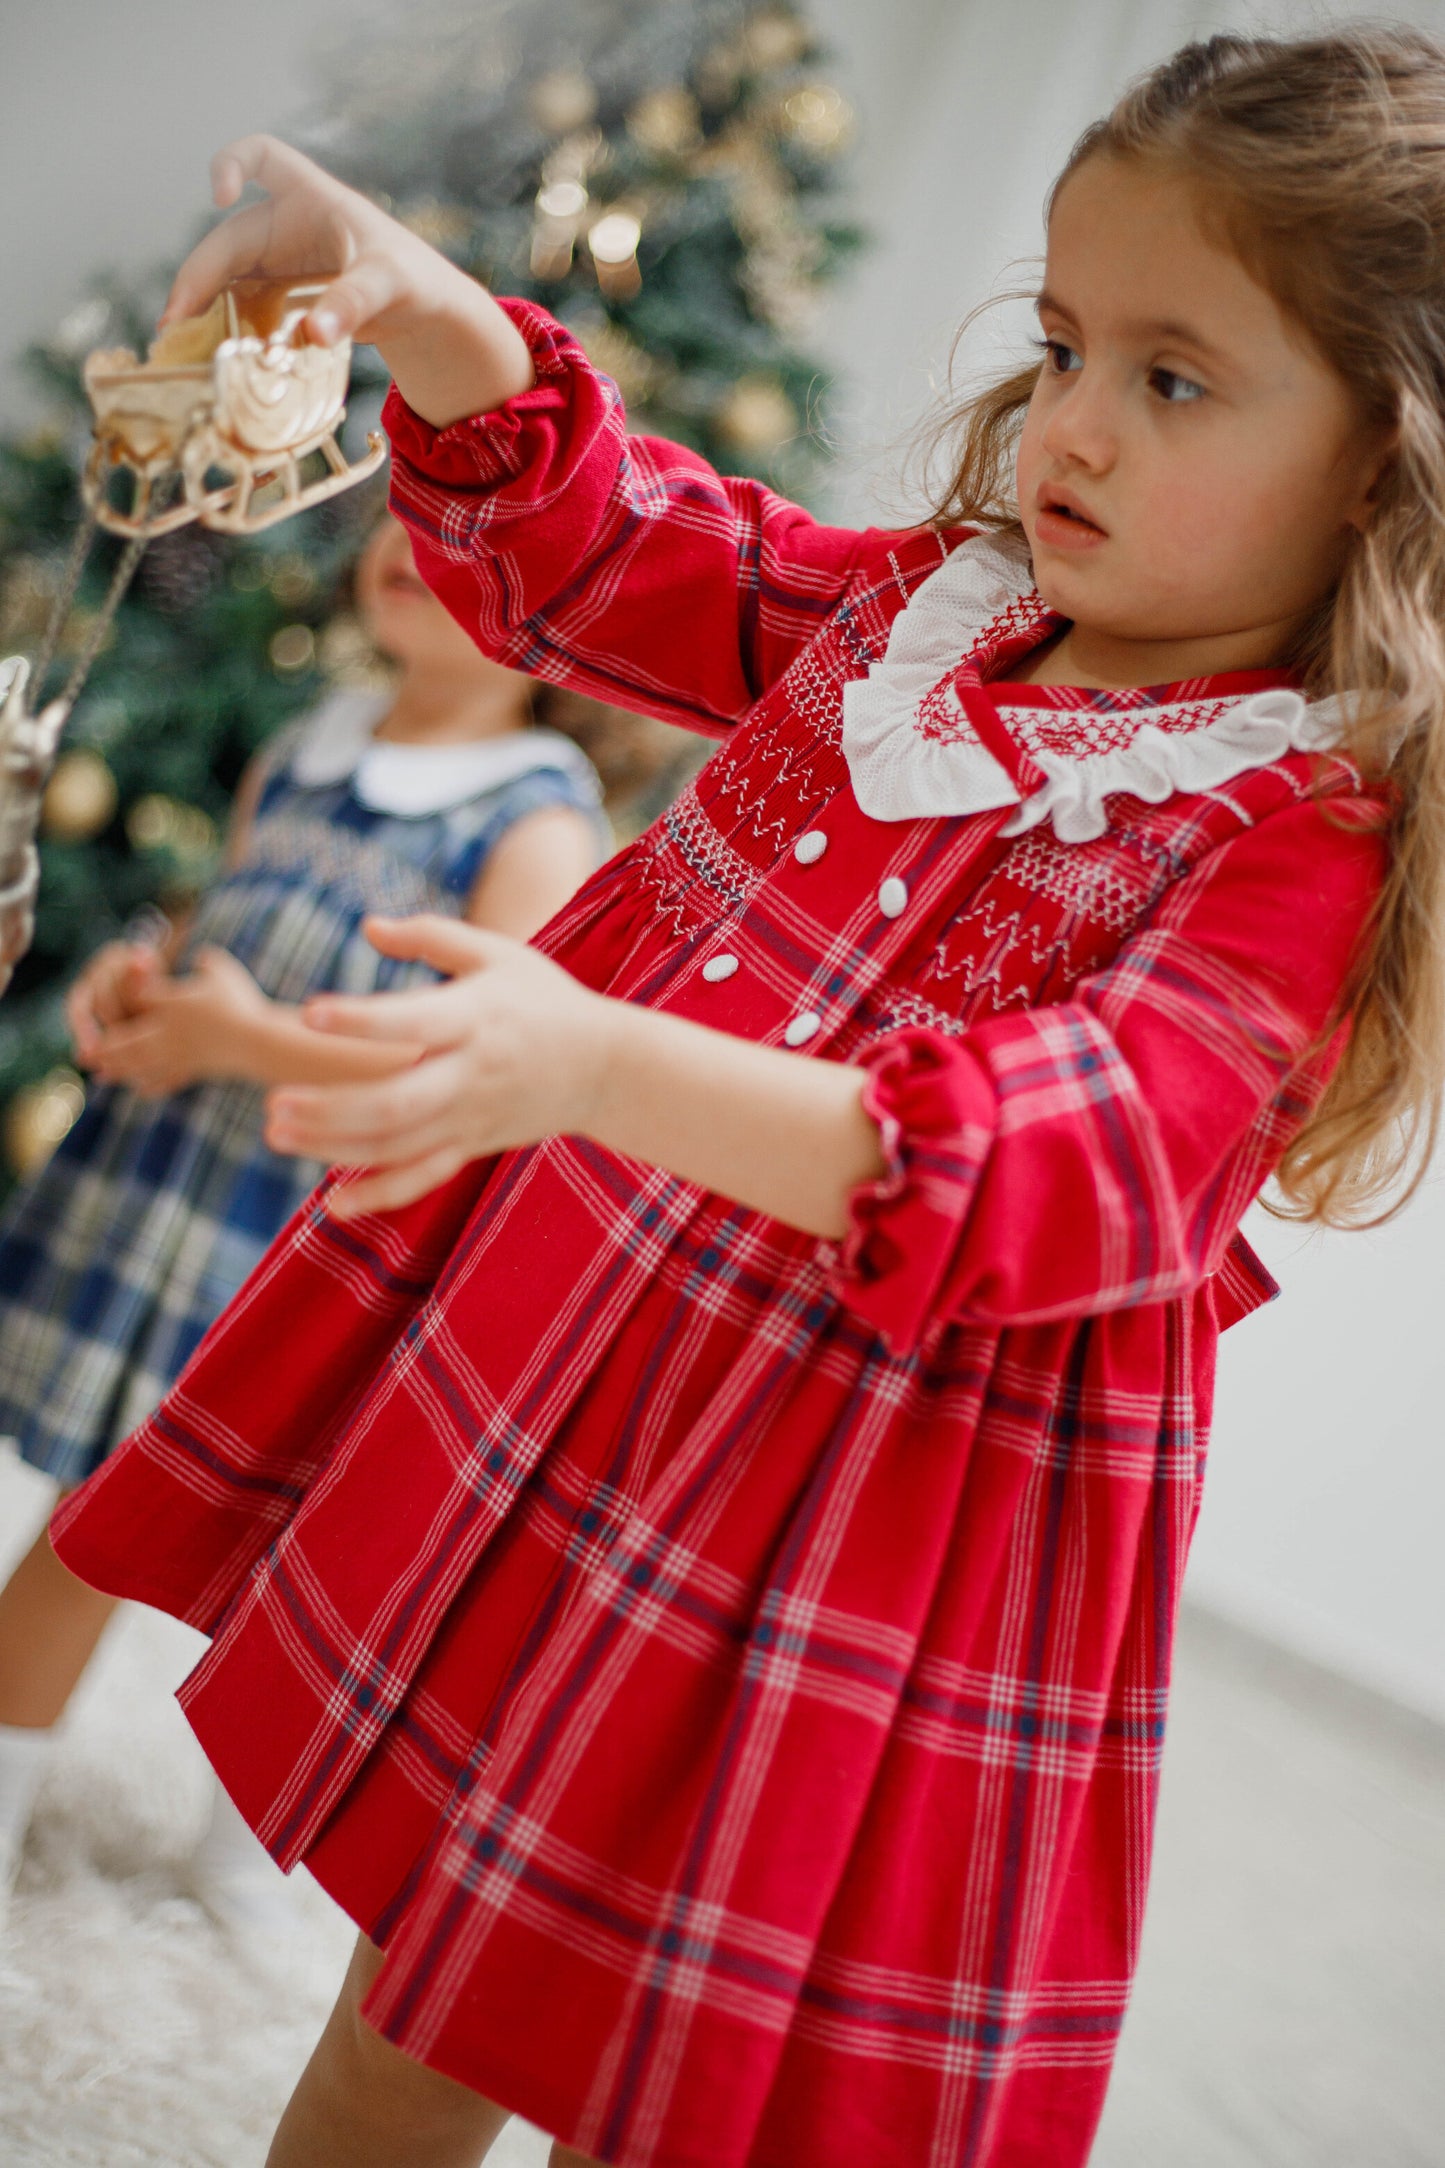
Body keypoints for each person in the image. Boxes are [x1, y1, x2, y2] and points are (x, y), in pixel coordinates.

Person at [47, 25, 1445, 2168]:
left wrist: (597, 1057)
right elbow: (624, 553)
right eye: (1067, 343)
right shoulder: (931, 616)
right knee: (415, 2000)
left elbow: (1097, 1155)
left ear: (1382, 461)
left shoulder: (1288, 830)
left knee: (674, 2071)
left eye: (1173, 380)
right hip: (583, 1404)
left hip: (843, 1546)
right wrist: (417, 298)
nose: (1068, 424)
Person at [0, 508, 605, 1931]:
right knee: (96, 1512)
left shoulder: (534, 814)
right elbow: (226, 935)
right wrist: (155, 986)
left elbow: (477, 1073)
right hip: (182, 1188)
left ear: (552, 619)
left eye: (478, 542)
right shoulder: (309, 746)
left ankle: (250, 1855)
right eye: (408, 522)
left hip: (327, 1240)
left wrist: (247, 1045)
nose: (418, 547)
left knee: (286, 1567)